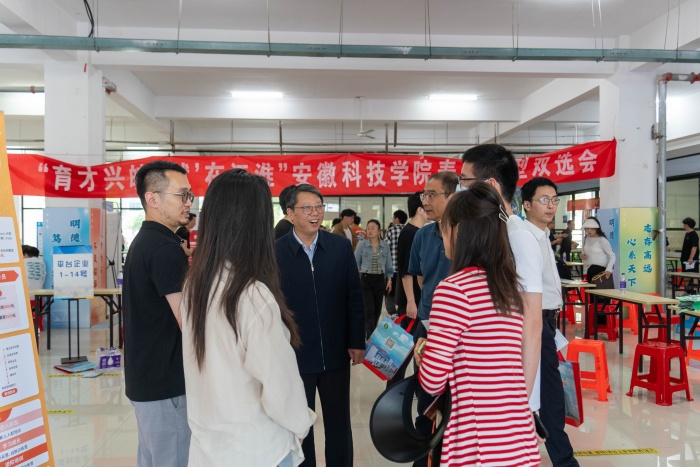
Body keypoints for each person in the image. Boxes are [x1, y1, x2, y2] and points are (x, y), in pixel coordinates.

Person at [181, 169, 315, 466]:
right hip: (258, 448)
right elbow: (280, 387)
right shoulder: (251, 295)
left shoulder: (196, 284)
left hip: (208, 448)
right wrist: (301, 424)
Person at [417, 183, 540, 467]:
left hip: (477, 442)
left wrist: (424, 354)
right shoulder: (508, 288)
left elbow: (433, 381)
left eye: (445, 226)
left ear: (459, 230)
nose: (442, 234)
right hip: (517, 438)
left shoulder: (454, 289)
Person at [276, 184, 365, 467]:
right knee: (301, 426)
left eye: (319, 207)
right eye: (307, 208)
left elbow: (354, 296)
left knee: (339, 423)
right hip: (295, 354)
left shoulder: (339, 247)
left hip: (336, 352)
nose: (315, 213)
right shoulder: (274, 251)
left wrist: (357, 341)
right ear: (290, 213)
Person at [460, 144, 543, 415]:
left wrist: (522, 400)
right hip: (494, 382)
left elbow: (532, 322)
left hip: (513, 389)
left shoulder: (517, 236)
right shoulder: (493, 231)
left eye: (465, 181)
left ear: (491, 185)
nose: (462, 188)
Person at [122, 160, 193, 467]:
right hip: (166, 384)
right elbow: (188, 321)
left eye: (190, 195)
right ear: (152, 198)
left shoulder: (146, 241)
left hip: (147, 378)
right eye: (182, 195)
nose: (188, 202)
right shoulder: (164, 249)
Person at [522, 177, 579, 466]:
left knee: (550, 394)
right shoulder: (524, 238)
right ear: (526, 204)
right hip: (535, 322)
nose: (551, 206)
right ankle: (564, 461)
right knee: (551, 396)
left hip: (549, 323)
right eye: (544, 200)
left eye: (555, 200)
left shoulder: (544, 235)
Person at [407, 171, 458, 467]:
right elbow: (419, 277)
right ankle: (422, 458)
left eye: (431, 195)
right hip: (427, 327)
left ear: (452, 197)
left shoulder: (467, 234)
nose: (424, 201)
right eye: (423, 195)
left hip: (458, 330)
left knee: (454, 399)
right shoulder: (422, 235)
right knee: (425, 395)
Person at [387, 193, 428, 388]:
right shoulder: (409, 233)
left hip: (418, 300)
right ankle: (393, 390)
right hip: (411, 302)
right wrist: (411, 302)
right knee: (403, 351)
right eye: (426, 205)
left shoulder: (419, 232)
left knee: (415, 348)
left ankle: (409, 388)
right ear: (419, 209)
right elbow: (405, 271)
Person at [354, 219, 394, 339]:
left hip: (379, 279)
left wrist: (389, 281)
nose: (370, 231)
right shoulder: (362, 244)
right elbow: (355, 262)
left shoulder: (385, 245)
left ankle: (373, 333)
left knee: (377, 310)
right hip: (366, 278)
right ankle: (369, 336)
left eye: (373, 228)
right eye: (368, 228)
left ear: (379, 230)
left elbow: (389, 265)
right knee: (369, 309)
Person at [384, 210, 407, 316]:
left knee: (390, 292)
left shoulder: (391, 230)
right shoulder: (409, 230)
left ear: (397, 219)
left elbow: (385, 249)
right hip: (405, 269)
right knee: (403, 292)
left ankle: (393, 314)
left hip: (392, 268)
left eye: (393, 218)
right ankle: (402, 314)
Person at [581, 217, 616, 282]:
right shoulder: (585, 238)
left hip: (600, 271)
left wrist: (608, 269)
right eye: (587, 229)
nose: (589, 231)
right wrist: (582, 256)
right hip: (587, 270)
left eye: (592, 229)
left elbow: (612, 255)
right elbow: (583, 252)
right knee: (589, 288)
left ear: (597, 228)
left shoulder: (602, 240)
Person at [681, 217, 699, 292]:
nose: (683, 226)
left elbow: (694, 247)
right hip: (685, 258)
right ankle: (687, 290)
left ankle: (694, 291)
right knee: (686, 274)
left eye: (684, 224)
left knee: (693, 274)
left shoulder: (694, 235)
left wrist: (691, 258)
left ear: (687, 225)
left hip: (691, 260)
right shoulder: (687, 234)